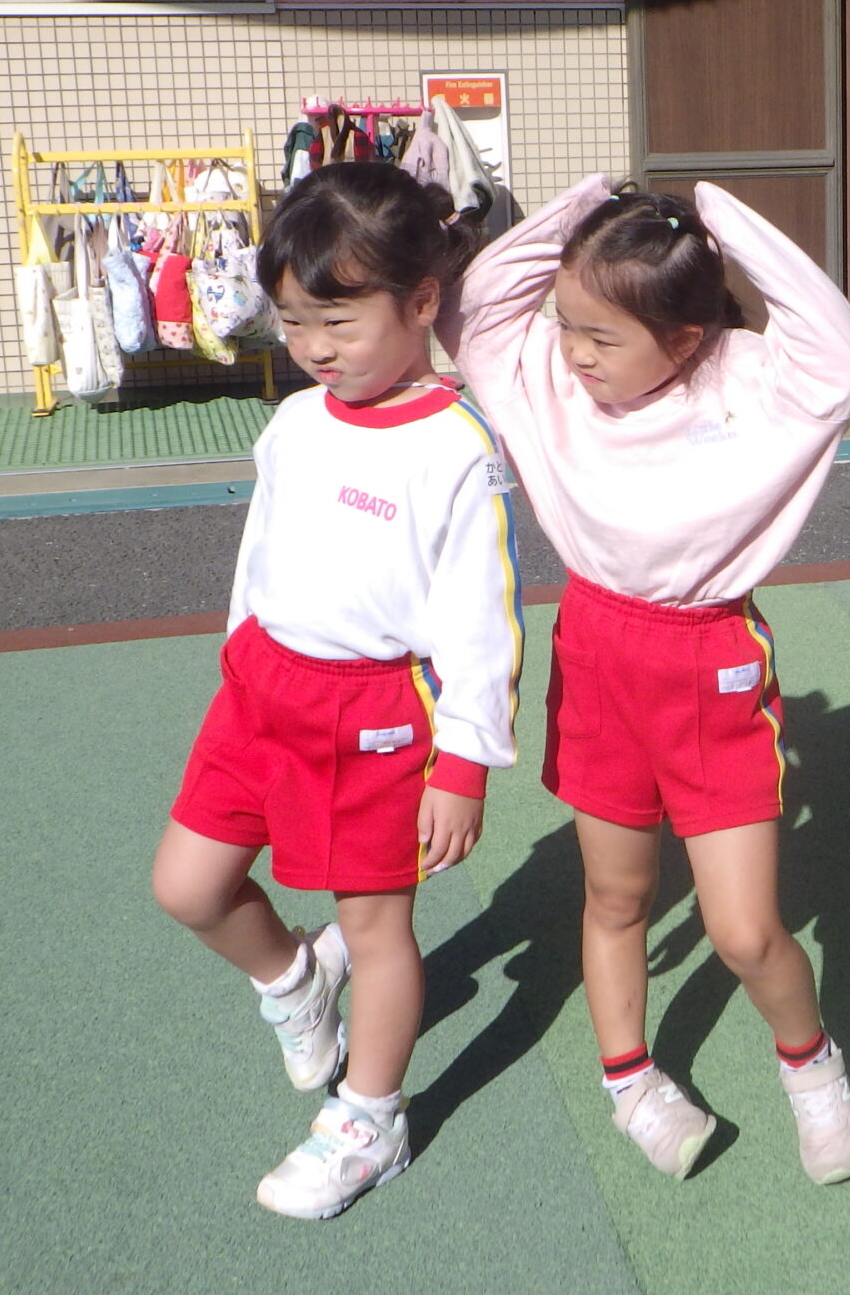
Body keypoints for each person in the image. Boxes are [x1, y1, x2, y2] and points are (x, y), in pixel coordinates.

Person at [444, 175, 850, 1185]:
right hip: (597, 653)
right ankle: (631, 1082)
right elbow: (476, 306)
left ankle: (812, 1067)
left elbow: (844, 358)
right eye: (566, 324)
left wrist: (713, 214)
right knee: (615, 894)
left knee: (745, 930)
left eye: (601, 336)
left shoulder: (743, 384)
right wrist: (589, 206)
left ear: (684, 339)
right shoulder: (544, 381)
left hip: (710, 660)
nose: (575, 352)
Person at [149, 161, 523, 1219]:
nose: (314, 345)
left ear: (421, 301)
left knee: (375, 930)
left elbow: (483, 620)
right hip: (262, 692)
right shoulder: (298, 421)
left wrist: (463, 762)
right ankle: (291, 981)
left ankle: (371, 1120)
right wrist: (240, 651)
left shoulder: (456, 447)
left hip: (376, 715)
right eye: (294, 320)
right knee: (188, 887)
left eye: (339, 320)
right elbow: (260, 551)